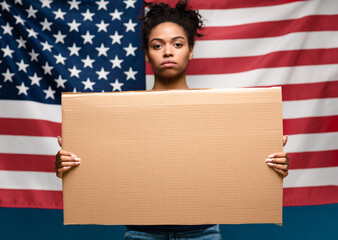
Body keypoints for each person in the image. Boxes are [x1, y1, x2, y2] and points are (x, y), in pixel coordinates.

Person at [55, 0, 290, 239]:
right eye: (157, 46)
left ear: (190, 50)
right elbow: (104, 166)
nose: (168, 51)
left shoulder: (218, 112)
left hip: (202, 233)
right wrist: (70, 165)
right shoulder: (122, 115)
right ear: (147, 54)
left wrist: (269, 163)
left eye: (177, 44)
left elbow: (234, 162)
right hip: (141, 233)